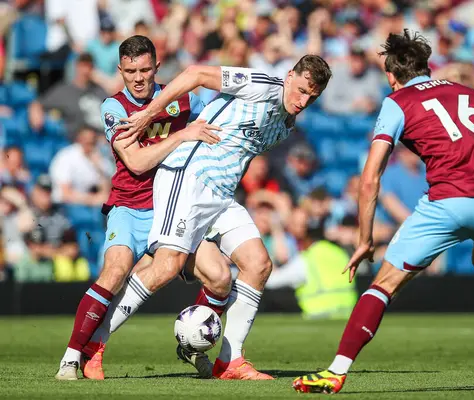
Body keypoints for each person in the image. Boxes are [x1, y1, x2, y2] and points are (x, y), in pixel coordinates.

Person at [292, 30, 474, 394]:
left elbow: (370, 179)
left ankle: (336, 371)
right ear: (426, 67)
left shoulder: (397, 101)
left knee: (382, 286)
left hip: (448, 201)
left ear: (391, 75)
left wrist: (365, 239)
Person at [101, 55, 332, 380]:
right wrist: (147, 115)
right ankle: (95, 344)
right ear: (290, 75)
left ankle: (230, 360)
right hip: (189, 177)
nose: (303, 100)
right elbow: (196, 73)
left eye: (312, 96)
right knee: (166, 267)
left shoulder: (286, 124)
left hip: (221, 196)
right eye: (301, 89)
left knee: (258, 264)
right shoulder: (262, 86)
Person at [55, 35, 221, 381]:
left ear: (157, 68)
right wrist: (181, 135)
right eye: (130, 71)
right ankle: (72, 357)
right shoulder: (113, 107)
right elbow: (137, 163)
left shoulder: (183, 99)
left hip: (172, 209)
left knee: (219, 275)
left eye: (145, 69)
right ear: (120, 70)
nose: (138, 78)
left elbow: (218, 117)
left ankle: (191, 343)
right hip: (129, 207)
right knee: (115, 271)